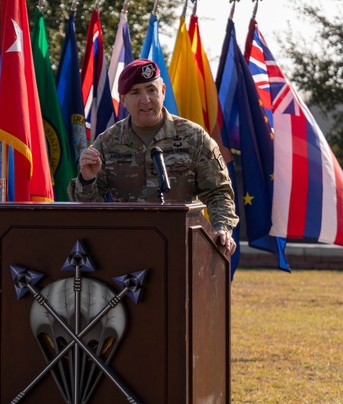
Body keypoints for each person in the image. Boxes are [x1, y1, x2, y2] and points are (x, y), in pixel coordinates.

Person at [70, 58, 239, 256]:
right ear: (123, 99)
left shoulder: (194, 137)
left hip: (182, 248)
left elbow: (218, 193)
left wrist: (222, 228)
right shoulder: (108, 142)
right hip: (126, 250)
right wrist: (87, 179)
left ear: (163, 91)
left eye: (151, 90)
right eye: (135, 92)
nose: (146, 100)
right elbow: (90, 210)